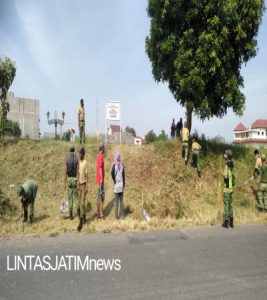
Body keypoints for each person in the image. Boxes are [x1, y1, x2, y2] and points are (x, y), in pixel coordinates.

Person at [219, 150, 235, 228]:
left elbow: (225, 176)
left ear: (228, 156)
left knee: (226, 204)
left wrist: (220, 172)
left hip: (227, 188)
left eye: (225, 154)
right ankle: (231, 222)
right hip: (231, 187)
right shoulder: (232, 164)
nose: (224, 155)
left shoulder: (226, 165)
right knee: (230, 205)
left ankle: (226, 222)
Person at [64, 147, 79, 220]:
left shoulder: (67, 159)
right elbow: (77, 170)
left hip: (69, 179)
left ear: (69, 151)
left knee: (70, 198)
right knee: (76, 197)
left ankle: (70, 215)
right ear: (74, 151)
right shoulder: (76, 158)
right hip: (75, 179)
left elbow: (65, 171)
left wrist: (64, 183)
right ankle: (79, 214)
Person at [111, 152, 126, 220]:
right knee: (121, 201)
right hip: (121, 185)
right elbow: (123, 176)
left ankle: (116, 217)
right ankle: (122, 216)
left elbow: (111, 174)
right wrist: (124, 185)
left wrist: (114, 181)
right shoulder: (122, 166)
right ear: (119, 158)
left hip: (116, 185)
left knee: (116, 202)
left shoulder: (114, 165)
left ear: (116, 157)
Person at [77, 147, 89, 231]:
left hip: (84, 184)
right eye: (79, 153)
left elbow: (87, 175)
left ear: (83, 154)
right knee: (80, 203)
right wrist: (78, 183)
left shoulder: (85, 162)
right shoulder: (79, 162)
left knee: (82, 203)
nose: (79, 154)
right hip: (79, 184)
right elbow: (78, 174)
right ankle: (84, 217)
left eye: (80, 153)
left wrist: (87, 186)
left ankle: (81, 221)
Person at [96, 143, 105, 219]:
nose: (104, 149)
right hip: (100, 181)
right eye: (104, 148)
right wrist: (102, 179)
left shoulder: (99, 155)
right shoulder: (101, 156)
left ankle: (99, 213)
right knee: (100, 197)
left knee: (99, 196)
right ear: (102, 148)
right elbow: (99, 168)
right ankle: (100, 213)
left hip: (98, 180)